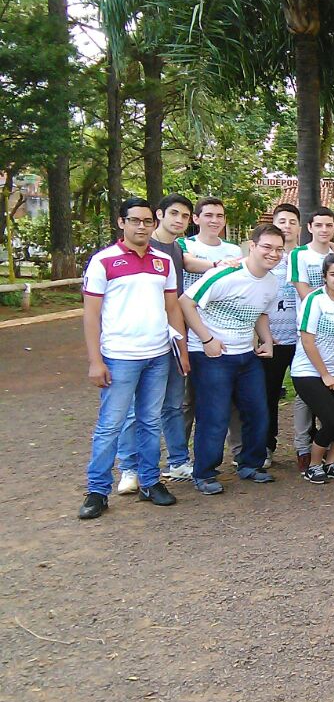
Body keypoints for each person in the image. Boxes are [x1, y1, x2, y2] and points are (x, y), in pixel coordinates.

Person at [79, 197, 188, 520]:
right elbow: (91, 315)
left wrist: (182, 352)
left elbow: (172, 308)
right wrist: (95, 361)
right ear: (121, 223)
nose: (141, 227)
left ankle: (150, 481)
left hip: (157, 355)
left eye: (146, 221)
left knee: (150, 422)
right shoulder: (103, 261)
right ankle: (97, 490)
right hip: (119, 357)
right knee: (110, 425)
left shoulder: (162, 262)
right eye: (135, 221)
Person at [179, 224, 284, 495]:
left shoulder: (271, 282)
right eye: (267, 247)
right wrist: (206, 339)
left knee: (258, 411)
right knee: (214, 415)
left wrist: (267, 340)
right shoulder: (226, 274)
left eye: (278, 249)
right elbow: (185, 302)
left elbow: (261, 313)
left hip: (245, 355)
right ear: (252, 246)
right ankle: (204, 472)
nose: (273, 254)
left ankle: (250, 463)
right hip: (211, 355)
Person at [116, 192, 195, 492]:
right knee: (136, 410)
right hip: (133, 346)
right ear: (159, 215)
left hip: (169, 341)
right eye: (173, 213)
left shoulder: (171, 250)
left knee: (173, 404)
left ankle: (177, 460)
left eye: (185, 216)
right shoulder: (136, 250)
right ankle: (129, 467)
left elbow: (178, 294)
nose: (179, 220)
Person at [291, 255, 334, 484]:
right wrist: (325, 374)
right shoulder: (314, 300)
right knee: (332, 421)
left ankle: (332, 462)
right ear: (325, 277)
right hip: (308, 372)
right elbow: (307, 341)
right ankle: (314, 465)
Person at [261, 203, 310, 471]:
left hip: (304, 340)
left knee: (309, 395)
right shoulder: (267, 260)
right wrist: (263, 336)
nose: (287, 226)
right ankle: (267, 446)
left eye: (292, 221)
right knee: (268, 395)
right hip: (274, 339)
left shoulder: (304, 257)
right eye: (282, 221)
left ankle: (309, 446)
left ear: (300, 228)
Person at [178, 196, 241, 292]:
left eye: (219, 216)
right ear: (195, 218)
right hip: (189, 305)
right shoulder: (184, 243)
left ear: (224, 220)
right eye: (208, 215)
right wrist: (218, 265)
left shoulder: (234, 250)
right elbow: (188, 263)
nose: (214, 220)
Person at [287, 207, 334, 300]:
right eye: (318, 225)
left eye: (329, 225)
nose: (324, 230)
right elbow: (305, 294)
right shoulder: (298, 254)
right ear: (309, 227)